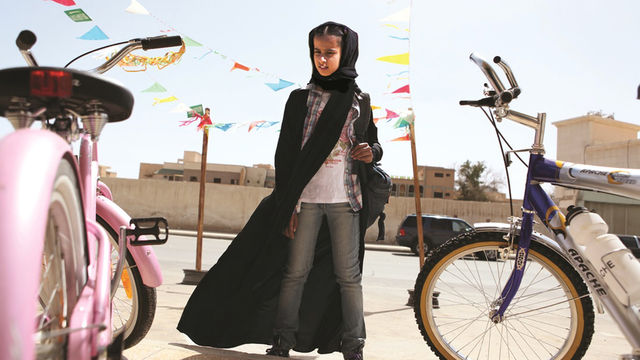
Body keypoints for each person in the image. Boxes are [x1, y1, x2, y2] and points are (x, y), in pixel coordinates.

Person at [177, 21, 381, 360]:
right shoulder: (300, 99)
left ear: (346, 53)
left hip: (346, 199)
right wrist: (288, 206)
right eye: (317, 52)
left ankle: (354, 345)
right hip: (306, 201)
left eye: (330, 53)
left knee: (348, 278)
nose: (323, 59)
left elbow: (374, 142)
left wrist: (372, 152)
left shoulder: (360, 100)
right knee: (294, 274)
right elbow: (285, 155)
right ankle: (282, 342)